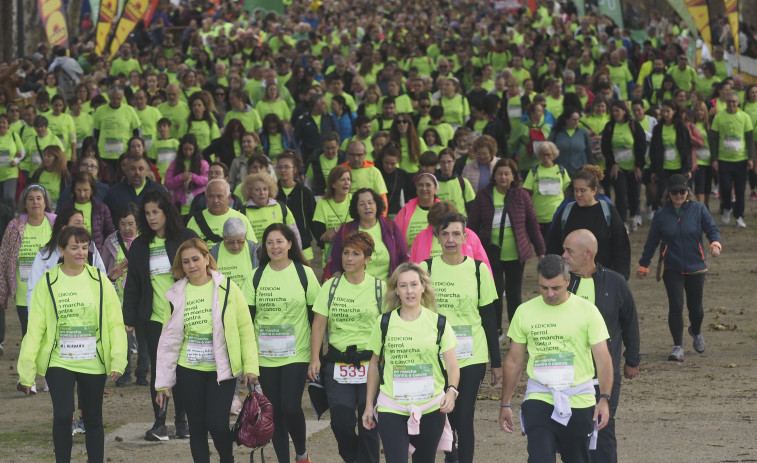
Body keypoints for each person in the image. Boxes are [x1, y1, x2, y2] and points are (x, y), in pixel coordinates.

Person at [17, 226, 126, 463]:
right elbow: (35, 328)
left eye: (85, 247)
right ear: (61, 249)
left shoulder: (99, 280)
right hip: (59, 361)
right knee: (63, 416)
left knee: (94, 418)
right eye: (74, 247)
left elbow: (115, 323)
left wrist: (118, 358)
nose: (80, 252)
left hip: (93, 361)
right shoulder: (48, 282)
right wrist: (26, 372)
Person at [499, 255, 614, 463]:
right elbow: (514, 361)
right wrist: (505, 404)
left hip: (579, 399)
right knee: (539, 457)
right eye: (544, 288)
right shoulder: (525, 312)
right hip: (540, 397)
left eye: (556, 288)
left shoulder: (588, 311)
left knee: (577, 458)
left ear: (568, 281)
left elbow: (603, 358)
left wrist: (604, 398)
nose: (549, 294)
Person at [154, 238, 259, 463]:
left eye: (195, 259)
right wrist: (162, 383)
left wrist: (250, 367)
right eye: (186, 262)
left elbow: (245, 331)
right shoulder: (175, 295)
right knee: (197, 426)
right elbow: (168, 341)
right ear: (180, 266)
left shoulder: (228, 287)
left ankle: (226, 458)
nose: (191, 265)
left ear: (206, 258)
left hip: (221, 369)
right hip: (188, 368)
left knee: (217, 423)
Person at [419, 213, 501, 463]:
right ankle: (451, 454)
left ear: (465, 237)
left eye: (456, 234)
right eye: (445, 234)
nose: (450, 239)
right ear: (438, 237)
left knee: (464, 415)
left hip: (471, 354)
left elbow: (489, 318)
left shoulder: (479, 270)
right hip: (436, 356)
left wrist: (496, 362)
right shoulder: (426, 268)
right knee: (444, 413)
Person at [361, 262, 460, 463]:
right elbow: (374, 365)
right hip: (392, 406)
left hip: (431, 407)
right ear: (396, 290)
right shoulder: (384, 322)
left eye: (414, 284)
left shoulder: (439, 322)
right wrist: (369, 405)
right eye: (403, 285)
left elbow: (452, 365)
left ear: (423, 286)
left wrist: (451, 391)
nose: (409, 291)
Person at [123, 190, 197, 441]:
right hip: (153, 318)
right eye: (147, 213)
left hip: (186, 316)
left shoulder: (186, 237)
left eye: (156, 211)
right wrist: (129, 318)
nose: (152, 217)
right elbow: (133, 283)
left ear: (167, 212)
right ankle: (160, 423)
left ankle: (183, 422)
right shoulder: (141, 245)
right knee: (160, 370)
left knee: (183, 370)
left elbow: (202, 271)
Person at [562, 229, 641, 463]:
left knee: (603, 427)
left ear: (587, 254)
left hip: (604, 372)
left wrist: (633, 359)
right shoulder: (562, 283)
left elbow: (630, 322)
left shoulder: (615, 283)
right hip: (569, 373)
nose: (563, 255)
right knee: (573, 429)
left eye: (569, 251)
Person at [308, 231, 385, 463]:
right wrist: (315, 358)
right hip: (338, 363)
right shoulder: (330, 287)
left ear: (367, 259)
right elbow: (319, 324)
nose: (349, 258)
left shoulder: (379, 289)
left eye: (356, 254)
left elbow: (388, 327)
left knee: (369, 419)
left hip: (369, 364)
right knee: (341, 421)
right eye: (345, 252)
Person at [250, 223, 320, 463]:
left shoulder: (304, 273)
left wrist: (315, 356)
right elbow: (247, 321)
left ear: (290, 243)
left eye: (279, 241)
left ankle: (301, 453)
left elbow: (316, 318)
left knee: (290, 407)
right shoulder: (256, 275)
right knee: (274, 412)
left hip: (296, 354)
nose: (275, 246)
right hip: (265, 356)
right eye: (269, 242)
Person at [637, 175, 721, 362]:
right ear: (668, 194)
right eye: (674, 192)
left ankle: (696, 331)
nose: (678, 195)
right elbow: (652, 242)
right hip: (671, 267)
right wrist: (644, 264)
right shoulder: (660, 215)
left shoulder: (699, 209)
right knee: (676, 306)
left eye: (682, 191)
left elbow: (712, 229)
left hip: (696, 266)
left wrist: (715, 243)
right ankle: (677, 346)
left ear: (687, 192)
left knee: (696, 309)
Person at [468, 158, 545, 328]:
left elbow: (532, 224)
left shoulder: (521, 195)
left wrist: (541, 251)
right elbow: (471, 226)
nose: (503, 177)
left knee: (514, 294)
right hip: (491, 253)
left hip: (517, 254)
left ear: (513, 176)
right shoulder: (483, 196)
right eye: (500, 173)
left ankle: (516, 329)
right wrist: (470, 252)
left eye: (507, 174)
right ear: (494, 175)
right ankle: (496, 329)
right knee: (494, 292)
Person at [547, 165, 631, 280]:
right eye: (576, 190)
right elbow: (553, 245)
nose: (578, 194)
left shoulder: (608, 212)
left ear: (594, 190)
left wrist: (620, 277)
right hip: (570, 280)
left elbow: (621, 247)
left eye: (583, 190)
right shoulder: (566, 211)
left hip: (603, 278)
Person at [0, 185, 55, 353]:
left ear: (45, 202)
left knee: (51, 330)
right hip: (24, 291)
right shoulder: (15, 226)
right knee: (28, 332)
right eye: (30, 199)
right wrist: (2, 293)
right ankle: (27, 375)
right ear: (24, 203)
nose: (35, 202)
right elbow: (3, 259)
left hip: (52, 287)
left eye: (39, 198)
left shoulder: (56, 223)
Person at [102, 203, 148, 386]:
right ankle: (125, 371)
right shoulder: (110, 242)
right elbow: (104, 268)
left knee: (144, 336)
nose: (127, 228)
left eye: (130, 223)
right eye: (123, 224)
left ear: (137, 223)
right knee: (123, 336)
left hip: (142, 295)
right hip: (119, 297)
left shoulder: (146, 240)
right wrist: (111, 275)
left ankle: (143, 373)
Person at [328, 188, 408, 282]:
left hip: (386, 290)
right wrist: (340, 284)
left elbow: (403, 257)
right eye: (362, 204)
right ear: (356, 209)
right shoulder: (346, 229)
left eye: (370, 202)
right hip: (355, 289)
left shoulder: (391, 226)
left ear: (377, 204)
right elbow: (335, 263)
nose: (367, 207)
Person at [710, 91, 755, 228]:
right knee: (725, 187)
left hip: (740, 160)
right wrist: (714, 158)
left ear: (738, 103)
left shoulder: (745, 117)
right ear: (726, 103)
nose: (732, 104)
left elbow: (749, 139)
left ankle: (739, 216)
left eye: (734, 102)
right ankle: (727, 207)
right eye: (729, 101)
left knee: (740, 190)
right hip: (724, 160)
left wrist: (750, 158)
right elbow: (714, 139)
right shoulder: (719, 117)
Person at [602, 100, 648, 231]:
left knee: (635, 194)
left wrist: (638, 165)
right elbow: (605, 147)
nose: (616, 113)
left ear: (624, 111)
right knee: (620, 194)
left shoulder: (634, 125)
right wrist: (613, 164)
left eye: (618, 110)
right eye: (613, 111)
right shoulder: (610, 126)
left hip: (634, 167)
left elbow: (642, 145)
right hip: (617, 168)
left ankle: (633, 216)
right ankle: (623, 222)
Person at [409, 201, 490, 272]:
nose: (440, 230)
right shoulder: (421, 237)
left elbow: (484, 266)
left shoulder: (470, 236)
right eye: (436, 226)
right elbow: (412, 268)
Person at [522, 141, 571, 241]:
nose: (545, 157)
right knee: (542, 248)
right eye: (542, 154)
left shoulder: (561, 170)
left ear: (554, 155)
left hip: (557, 216)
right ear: (539, 156)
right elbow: (526, 193)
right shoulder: (534, 171)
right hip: (538, 217)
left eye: (548, 154)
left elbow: (569, 191)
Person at [649, 100, 692, 210]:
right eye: (663, 111)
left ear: (674, 111)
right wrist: (653, 169)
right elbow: (653, 149)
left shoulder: (681, 128)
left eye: (668, 111)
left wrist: (688, 168)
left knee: (681, 193)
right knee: (663, 193)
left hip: (679, 166)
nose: (665, 114)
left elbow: (687, 148)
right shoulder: (658, 128)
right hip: (663, 167)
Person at [103, 152, 167, 227]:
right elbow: (107, 222)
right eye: (133, 169)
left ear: (147, 171)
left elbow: (167, 217)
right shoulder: (113, 192)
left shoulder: (159, 190)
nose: (137, 172)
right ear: (126, 170)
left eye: (141, 169)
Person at [187, 178, 256, 246]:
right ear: (205, 197)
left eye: (219, 196)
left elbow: (253, 248)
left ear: (228, 198)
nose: (215, 200)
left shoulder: (241, 219)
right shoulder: (195, 220)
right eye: (211, 196)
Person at [275, 151, 316, 261]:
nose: (283, 170)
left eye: (287, 167)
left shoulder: (305, 192)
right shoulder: (271, 191)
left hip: (303, 245)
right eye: (280, 167)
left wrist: (322, 244)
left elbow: (314, 220)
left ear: (295, 169)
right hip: (277, 246)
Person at [59, 171, 114, 252]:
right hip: (72, 251)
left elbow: (110, 232)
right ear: (73, 189)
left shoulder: (101, 208)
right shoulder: (66, 208)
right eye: (79, 190)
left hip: (96, 253)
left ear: (92, 189)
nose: (82, 194)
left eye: (86, 190)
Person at [241, 172, 300, 245]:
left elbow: (294, 234)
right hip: (254, 255)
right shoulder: (242, 213)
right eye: (257, 189)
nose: (262, 193)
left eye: (265, 189)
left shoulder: (281, 207)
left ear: (270, 190)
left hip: (281, 254)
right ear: (250, 192)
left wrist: (296, 254)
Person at [312, 166, 352, 270]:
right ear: (333, 184)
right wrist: (347, 233)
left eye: (348, 179)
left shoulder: (355, 200)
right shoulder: (322, 203)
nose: (346, 182)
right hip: (331, 259)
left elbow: (361, 227)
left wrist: (336, 230)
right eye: (342, 179)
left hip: (353, 259)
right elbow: (321, 236)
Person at [165, 134, 210, 217]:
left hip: (198, 205)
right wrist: (180, 178)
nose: (188, 152)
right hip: (179, 207)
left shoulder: (203, 163)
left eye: (190, 149)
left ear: (195, 149)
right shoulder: (175, 163)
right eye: (185, 149)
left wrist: (192, 177)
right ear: (181, 149)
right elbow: (167, 183)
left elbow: (207, 179)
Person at [393, 172, 440, 252]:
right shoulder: (406, 210)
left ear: (435, 189)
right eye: (420, 185)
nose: (424, 188)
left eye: (428, 185)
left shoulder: (443, 210)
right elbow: (394, 233)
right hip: (411, 259)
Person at [435, 148, 475, 214]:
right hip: (440, 222)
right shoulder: (433, 184)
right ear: (439, 163)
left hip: (460, 222)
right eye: (443, 162)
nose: (446, 165)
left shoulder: (463, 182)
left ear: (454, 162)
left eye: (449, 161)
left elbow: (472, 207)